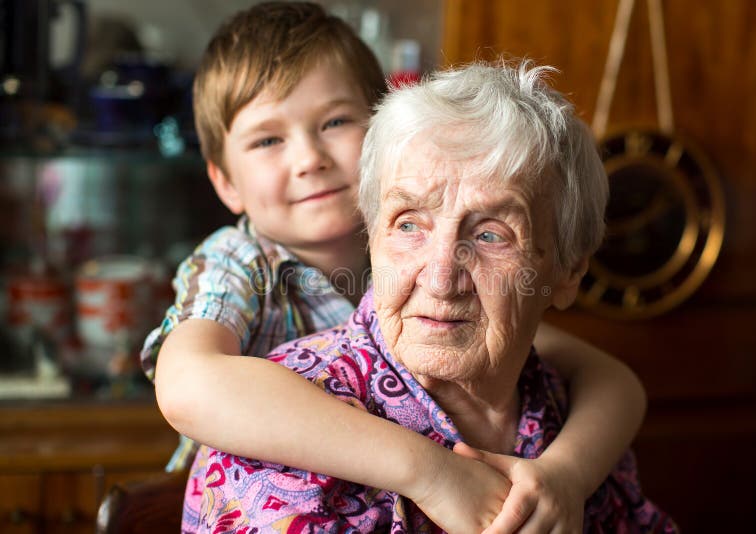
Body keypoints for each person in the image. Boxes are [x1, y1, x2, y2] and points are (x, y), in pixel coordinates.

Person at [143, 3, 651, 532]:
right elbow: (187, 387)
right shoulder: (236, 266)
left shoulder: (413, 267)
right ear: (224, 181)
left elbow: (610, 380)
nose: (310, 158)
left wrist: (568, 474)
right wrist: (429, 471)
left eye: (336, 122)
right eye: (269, 140)